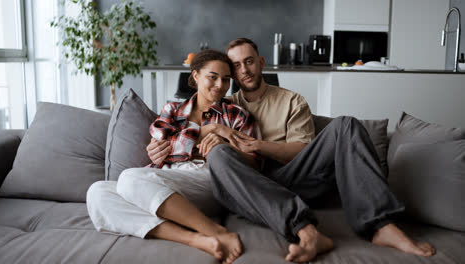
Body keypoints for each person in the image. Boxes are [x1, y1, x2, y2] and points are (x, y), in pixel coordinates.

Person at [147, 38, 436, 263]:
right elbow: (179, 138)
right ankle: (305, 229)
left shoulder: (285, 102)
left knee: (346, 124)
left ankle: (381, 225)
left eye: (249, 62)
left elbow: (301, 152)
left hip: (293, 173)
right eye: (235, 66)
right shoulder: (225, 103)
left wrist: (252, 144)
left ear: (261, 62)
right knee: (221, 155)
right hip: (249, 184)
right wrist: (196, 136)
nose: (243, 70)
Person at [86, 49, 261, 264]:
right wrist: (211, 130)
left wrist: (225, 147)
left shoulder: (237, 115)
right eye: (212, 77)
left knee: (130, 178)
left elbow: (254, 162)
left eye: (226, 80)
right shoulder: (172, 110)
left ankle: (216, 231)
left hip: (209, 179)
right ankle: (195, 239)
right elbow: (161, 148)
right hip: (165, 180)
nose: (219, 86)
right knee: (98, 192)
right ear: (196, 76)